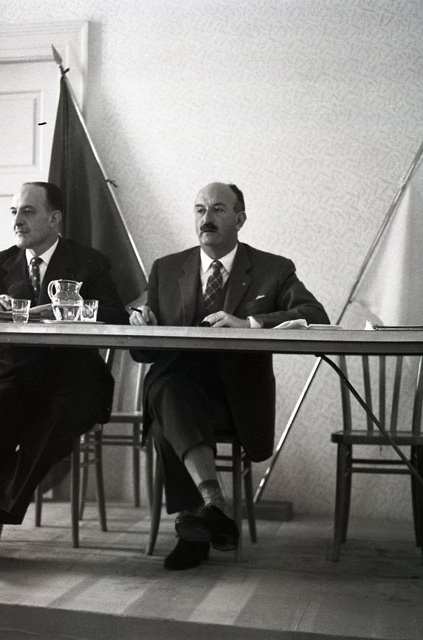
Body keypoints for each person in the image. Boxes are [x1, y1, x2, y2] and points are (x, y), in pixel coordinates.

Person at [130, 181, 329, 570]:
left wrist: (250, 323)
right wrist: (142, 324)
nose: (207, 218)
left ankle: (198, 528)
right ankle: (214, 506)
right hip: (176, 393)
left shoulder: (273, 269)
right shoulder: (166, 269)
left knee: (166, 419)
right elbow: (144, 353)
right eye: (200, 210)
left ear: (240, 219)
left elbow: (315, 316)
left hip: (234, 402)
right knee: (169, 391)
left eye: (218, 209)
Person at [0, 181, 127, 571]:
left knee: (53, 421)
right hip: (16, 378)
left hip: (75, 381)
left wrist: (71, 310)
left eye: (28, 211)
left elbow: (117, 316)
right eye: (14, 212)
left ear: (54, 218)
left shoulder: (89, 262)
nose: (17, 220)